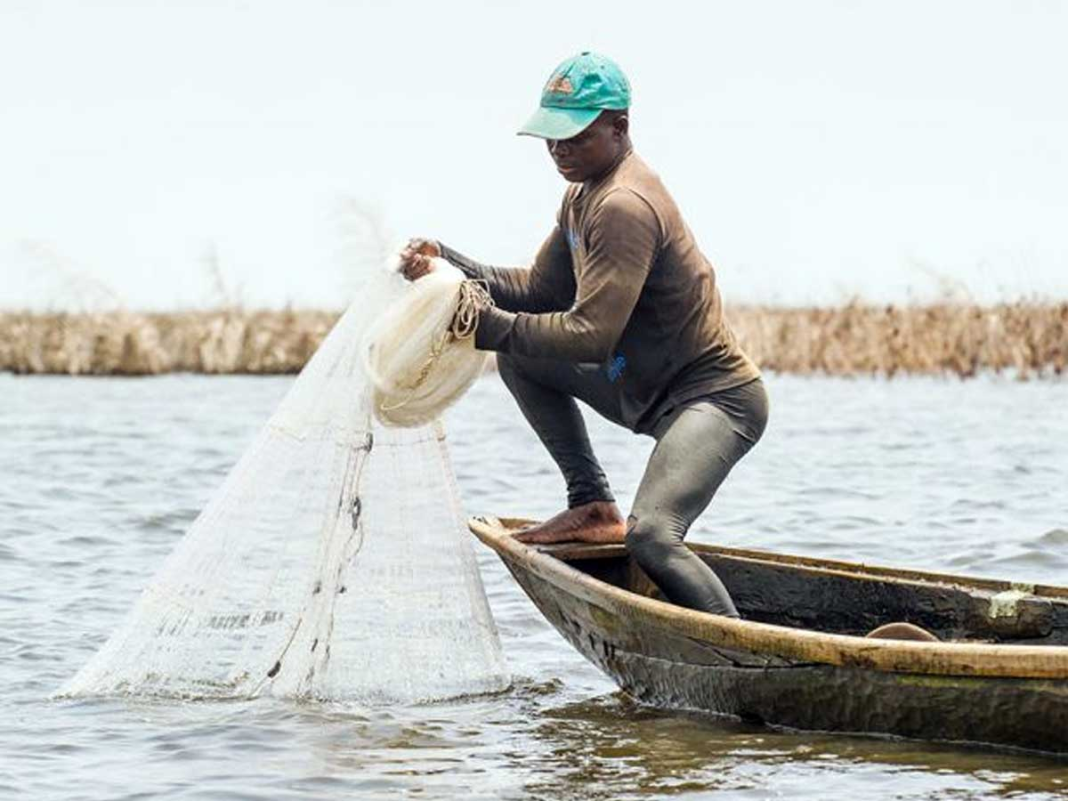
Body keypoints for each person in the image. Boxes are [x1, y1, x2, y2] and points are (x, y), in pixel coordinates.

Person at [399, 52, 767, 618]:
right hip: (637, 387)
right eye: (550, 136)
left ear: (619, 127)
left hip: (712, 401)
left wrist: (488, 326)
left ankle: (746, 663)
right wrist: (450, 263)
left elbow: (591, 336)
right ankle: (591, 503)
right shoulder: (581, 194)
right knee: (521, 358)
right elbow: (540, 290)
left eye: (574, 135)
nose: (558, 149)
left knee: (653, 538)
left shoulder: (623, 204)